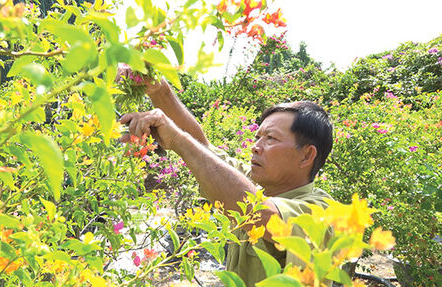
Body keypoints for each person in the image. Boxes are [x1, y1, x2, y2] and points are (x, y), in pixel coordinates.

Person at [118, 73, 334, 286]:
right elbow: (204, 149)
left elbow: (264, 216)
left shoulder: (321, 213)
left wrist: (176, 139)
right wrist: (159, 89)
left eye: (271, 138)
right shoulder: (258, 186)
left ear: (307, 155)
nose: (255, 146)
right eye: (257, 137)